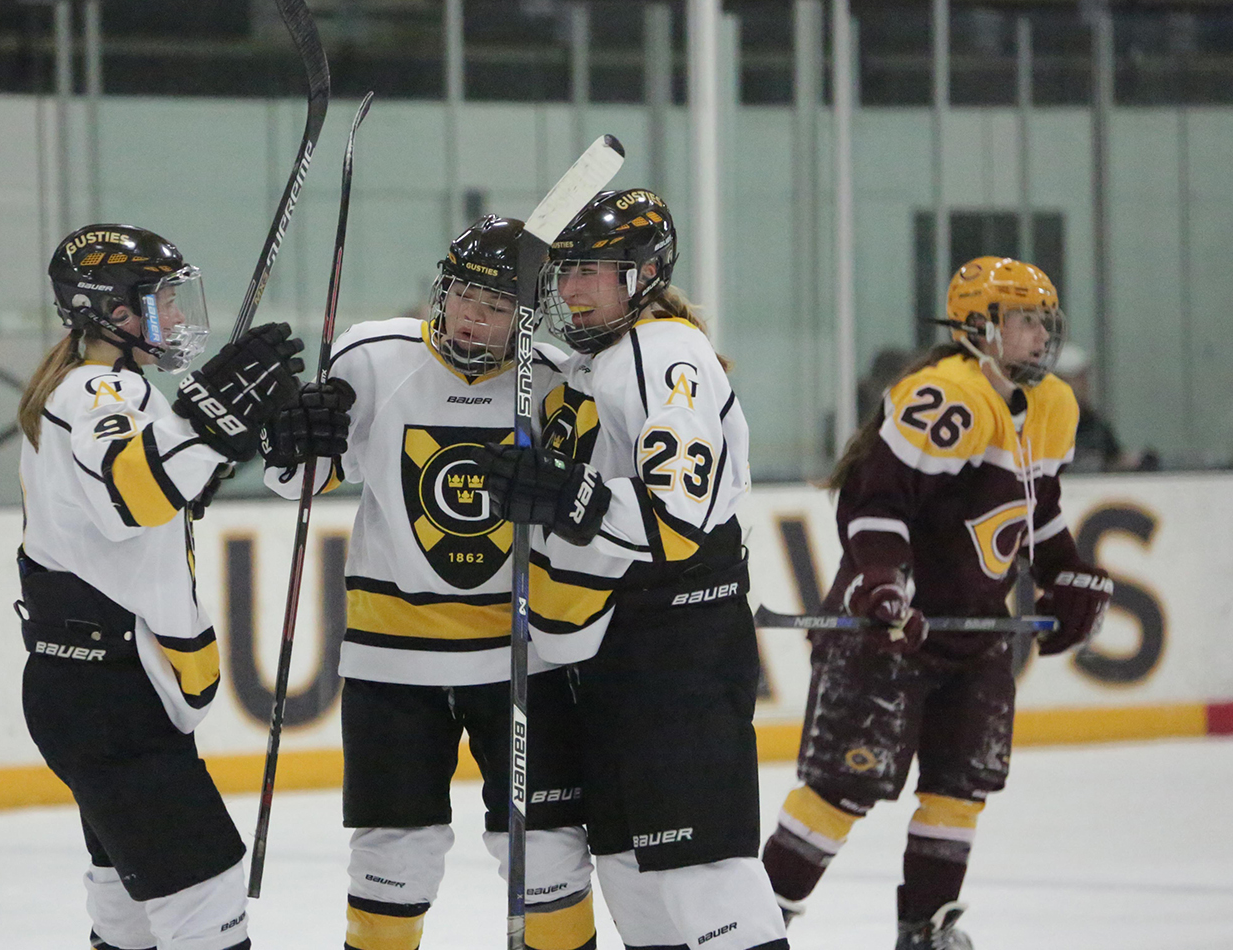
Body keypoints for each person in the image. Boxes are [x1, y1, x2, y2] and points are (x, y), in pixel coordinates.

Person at [758, 257, 1115, 949]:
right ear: (979, 326)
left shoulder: (1050, 405)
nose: (1040, 336)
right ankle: (757, 921)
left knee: (960, 787)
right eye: (1024, 321)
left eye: (1044, 321)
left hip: (973, 631)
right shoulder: (947, 395)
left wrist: (1064, 571)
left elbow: (1034, 511)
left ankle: (923, 928)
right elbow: (875, 504)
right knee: (841, 789)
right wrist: (883, 582)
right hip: (885, 627)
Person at [262, 215, 598, 950]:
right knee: (392, 857)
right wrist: (293, 439)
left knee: (544, 853)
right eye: (462, 297)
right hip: (390, 656)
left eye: (498, 307)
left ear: (529, 315)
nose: (472, 318)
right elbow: (300, 482)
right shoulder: (371, 353)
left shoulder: (555, 378)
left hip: (519, 655)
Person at [473, 189, 789, 950]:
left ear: (643, 274)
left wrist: (566, 494)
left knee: (697, 867)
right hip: (616, 647)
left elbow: (675, 519)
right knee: (629, 870)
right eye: (565, 271)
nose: (572, 288)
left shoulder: (662, 350)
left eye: (592, 270)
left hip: (677, 642)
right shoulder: (599, 360)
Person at [15, 224, 305, 950]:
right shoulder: (95, 389)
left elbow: (161, 495)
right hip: (109, 700)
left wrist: (226, 429)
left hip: (94, 691)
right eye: (162, 300)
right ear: (109, 312)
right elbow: (133, 496)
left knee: (127, 911)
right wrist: (209, 414)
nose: (175, 318)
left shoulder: (113, 388)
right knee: (204, 909)